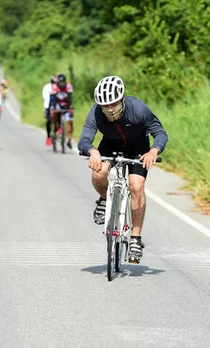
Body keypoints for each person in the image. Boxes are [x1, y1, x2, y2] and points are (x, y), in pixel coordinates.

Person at [77, 76, 168, 264]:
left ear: (122, 98)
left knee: (136, 185)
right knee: (99, 171)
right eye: (105, 105)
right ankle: (104, 199)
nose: (110, 109)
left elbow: (159, 133)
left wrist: (153, 150)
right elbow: (84, 139)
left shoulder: (139, 109)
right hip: (109, 145)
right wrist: (92, 151)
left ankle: (135, 238)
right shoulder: (95, 113)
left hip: (138, 148)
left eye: (114, 104)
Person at [50, 74, 74, 149]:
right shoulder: (54, 87)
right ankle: (56, 127)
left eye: (63, 82)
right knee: (54, 113)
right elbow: (54, 100)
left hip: (66, 105)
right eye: (60, 82)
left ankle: (69, 140)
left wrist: (70, 107)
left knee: (70, 121)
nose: (61, 83)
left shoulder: (68, 87)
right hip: (57, 104)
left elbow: (70, 98)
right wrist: (54, 108)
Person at [42, 76, 57, 147]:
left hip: (57, 105)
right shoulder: (47, 87)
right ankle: (48, 136)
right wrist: (45, 109)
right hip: (49, 105)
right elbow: (46, 98)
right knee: (48, 120)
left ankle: (59, 128)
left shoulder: (59, 88)